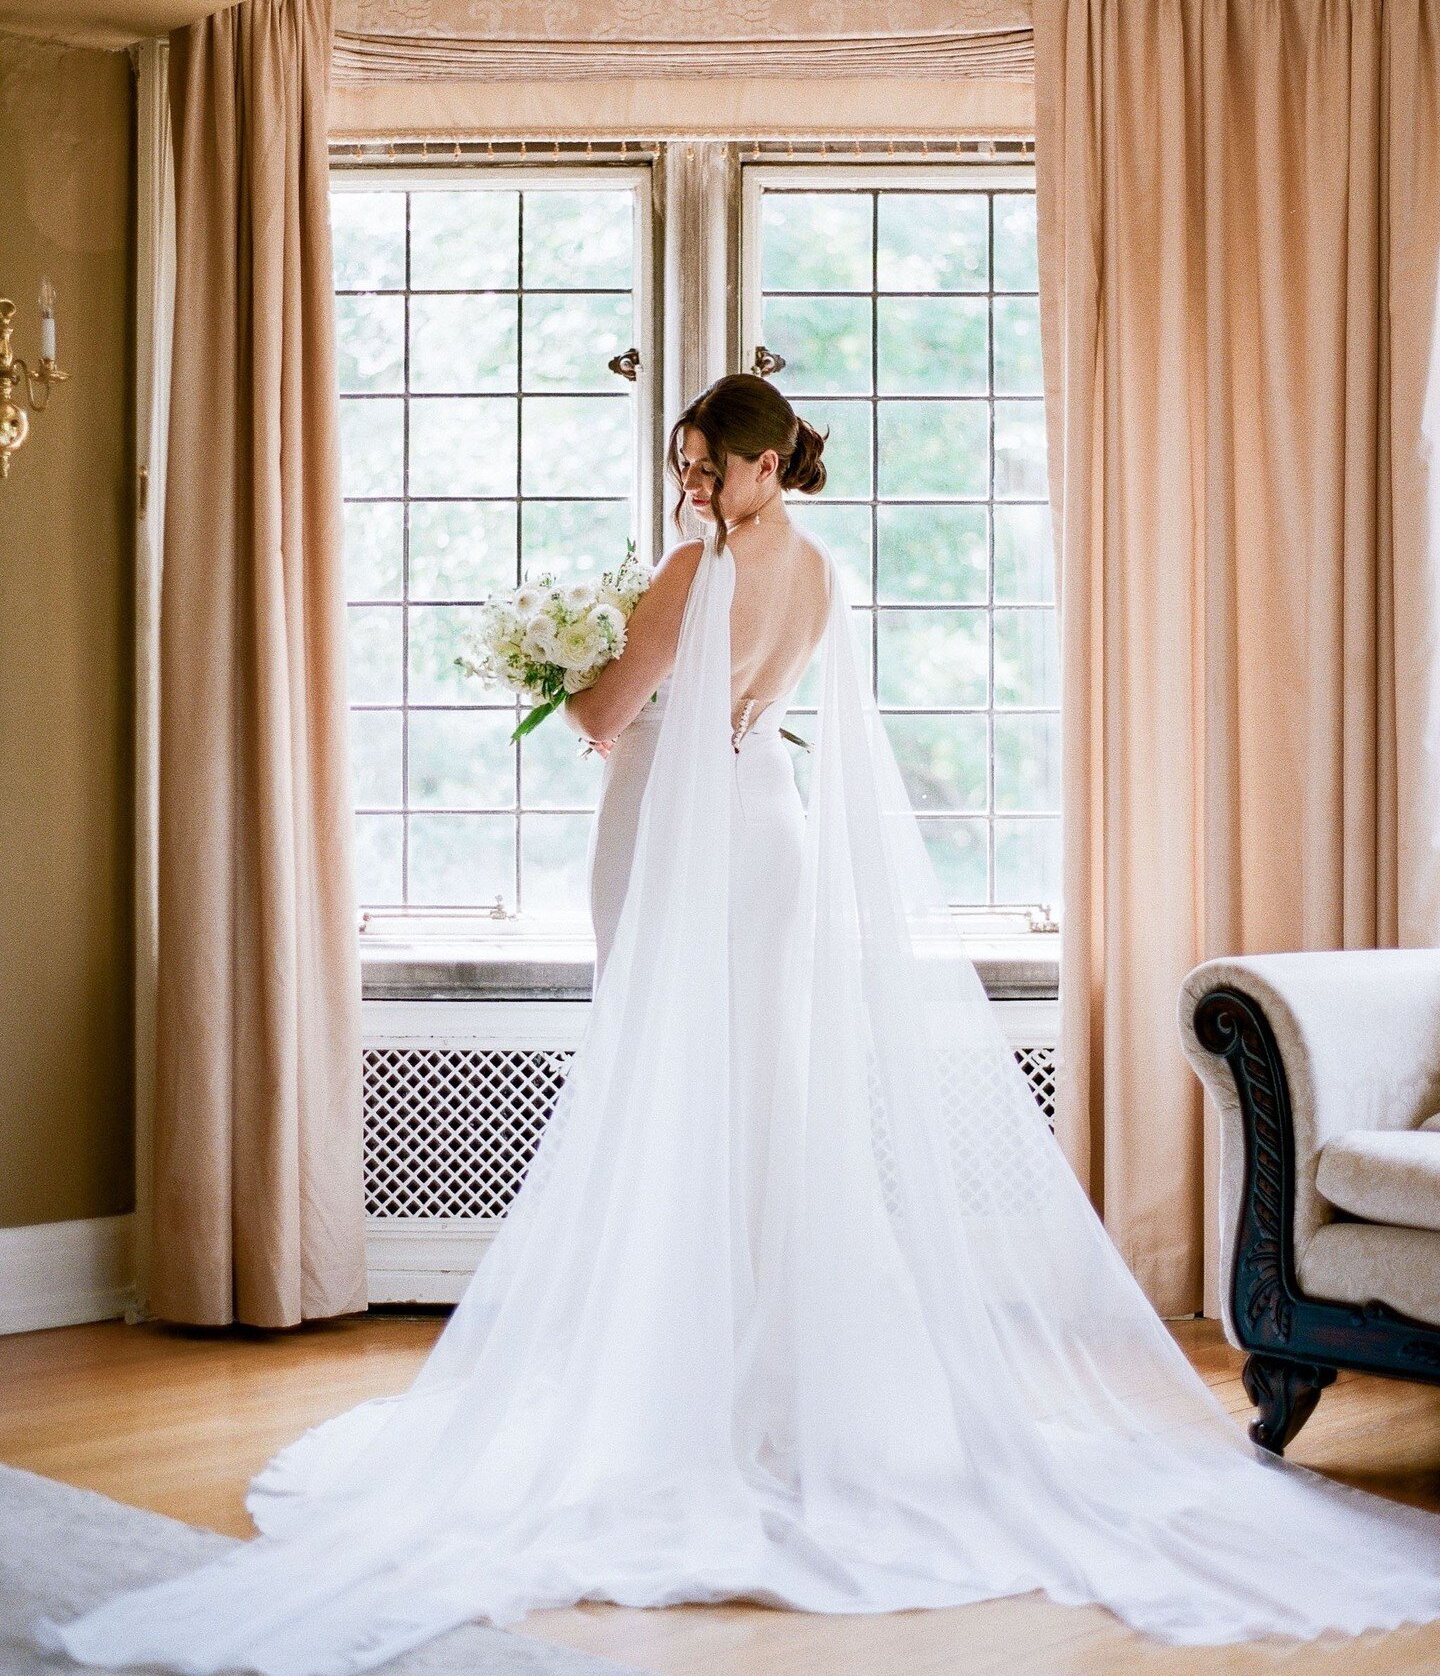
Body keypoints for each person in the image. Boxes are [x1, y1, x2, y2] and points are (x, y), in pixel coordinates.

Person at [33, 374, 1440, 1675]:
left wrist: (559, 665)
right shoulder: (824, 571)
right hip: (770, 840)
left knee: (679, 1095)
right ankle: (780, 1373)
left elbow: (610, 711)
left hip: (680, 837)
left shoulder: (694, 570)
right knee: (768, 1098)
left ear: (767, 464)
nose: (695, 486)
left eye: (710, 466)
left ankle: (691, 1384)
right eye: (687, 467)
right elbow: (759, 707)